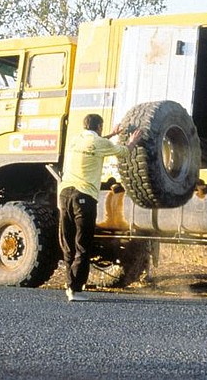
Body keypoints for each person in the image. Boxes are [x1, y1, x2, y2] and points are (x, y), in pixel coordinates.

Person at [58, 113, 141, 302]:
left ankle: (69, 283)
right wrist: (134, 140)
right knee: (83, 244)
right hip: (84, 196)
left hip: (64, 195)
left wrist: (111, 134)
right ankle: (76, 290)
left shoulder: (76, 140)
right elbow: (124, 151)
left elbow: (95, 143)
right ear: (99, 127)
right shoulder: (99, 143)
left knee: (69, 243)